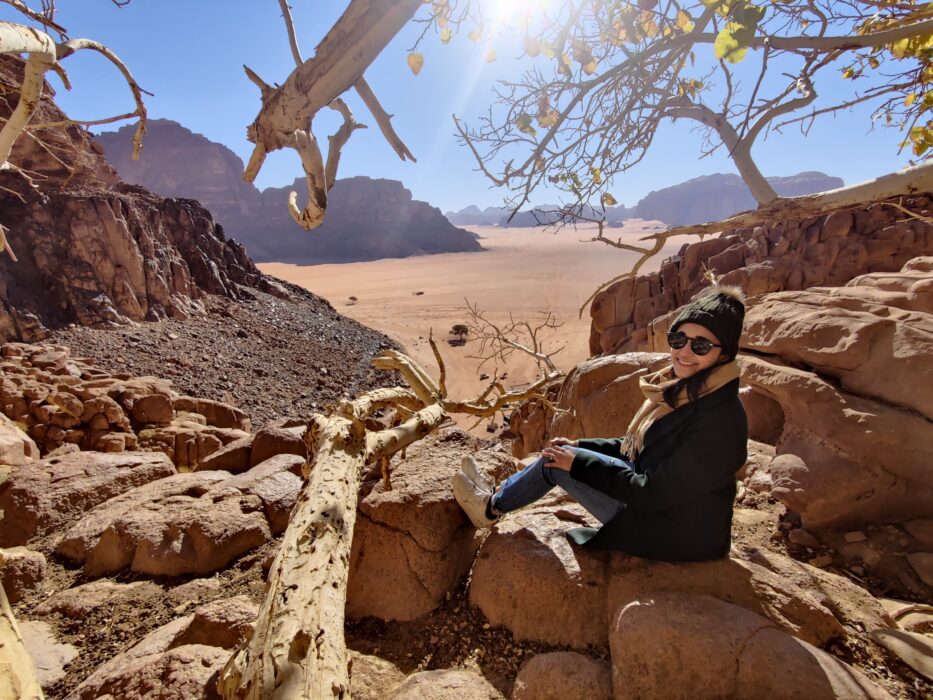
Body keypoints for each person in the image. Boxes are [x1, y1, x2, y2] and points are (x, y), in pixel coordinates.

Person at [453, 286, 748, 562]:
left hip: (674, 533)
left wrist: (577, 464)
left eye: (700, 346)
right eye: (678, 339)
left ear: (724, 354)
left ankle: (488, 508)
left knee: (554, 463)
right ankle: (502, 493)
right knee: (563, 452)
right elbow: (635, 449)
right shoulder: (687, 392)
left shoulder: (719, 420)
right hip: (669, 513)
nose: (684, 352)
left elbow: (651, 493)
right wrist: (580, 446)